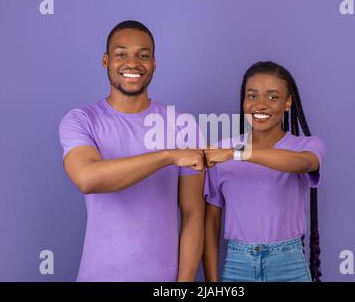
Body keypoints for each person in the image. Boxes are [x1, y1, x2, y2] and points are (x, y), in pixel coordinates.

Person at [59, 20, 205, 281]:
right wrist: (168, 156)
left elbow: (193, 213)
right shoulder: (81, 120)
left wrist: (183, 284)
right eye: (121, 54)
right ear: (106, 60)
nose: (133, 63)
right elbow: (88, 178)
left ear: (154, 63)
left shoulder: (182, 124)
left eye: (143, 55)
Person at [203, 61, 326, 282]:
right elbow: (211, 222)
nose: (260, 105)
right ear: (243, 101)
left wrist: (237, 153)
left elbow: (302, 163)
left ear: (287, 102)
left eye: (272, 97)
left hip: (288, 264)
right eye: (252, 95)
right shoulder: (220, 152)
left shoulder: (306, 145)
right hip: (237, 265)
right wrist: (212, 282)